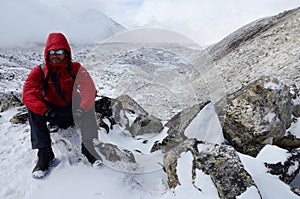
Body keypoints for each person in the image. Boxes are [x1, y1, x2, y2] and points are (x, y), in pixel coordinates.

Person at [22, 32, 102, 178]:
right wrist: (46, 111)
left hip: (73, 109)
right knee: (33, 109)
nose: (56, 55)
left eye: (60, 51)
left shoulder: (75, 68)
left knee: (90, 104)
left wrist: (82, 109)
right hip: (52, 110)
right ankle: (45, 154)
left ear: (66, 53)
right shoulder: (39, 72)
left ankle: (88, 147)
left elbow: (89, 89)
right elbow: (28, 94)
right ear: (47, 53)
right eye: (52, 52)